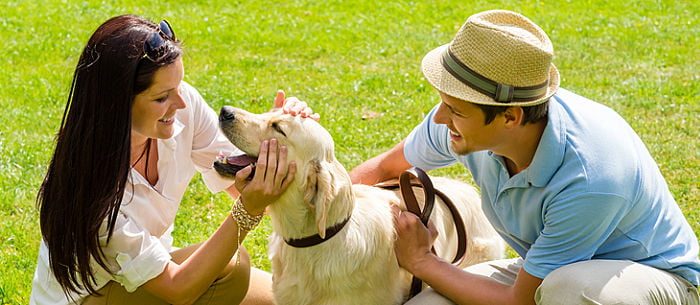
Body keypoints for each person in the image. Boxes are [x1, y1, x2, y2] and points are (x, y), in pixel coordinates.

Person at [350, 9, 699, 305]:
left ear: (510, 117)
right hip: (547, 269)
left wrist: (422, 261)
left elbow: (519, 301)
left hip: (655, 277)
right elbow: (383, 168)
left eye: (454, 108)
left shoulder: (593, 175)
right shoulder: (469, 119)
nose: (440, 118)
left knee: (570, 292)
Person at [30, 15, 316, 305]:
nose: (180, 103)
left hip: (155, 271)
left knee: (292, 300)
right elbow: (178, 289)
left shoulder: (181, 105)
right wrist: (247, 212)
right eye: (161, 97)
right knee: (233, 268)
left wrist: (276, 136)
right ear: (116, 104)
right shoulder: (91, 188)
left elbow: (241, 181)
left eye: (179, 86)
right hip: (92, 298)